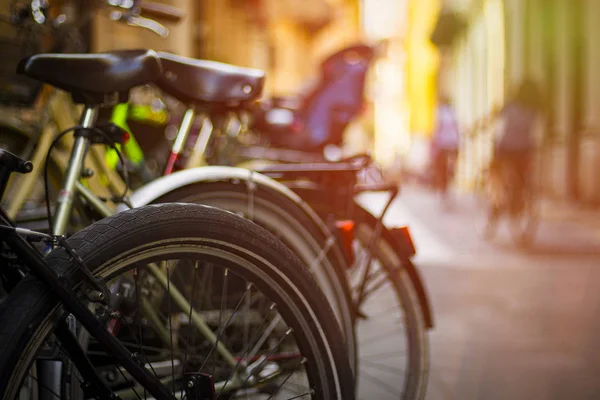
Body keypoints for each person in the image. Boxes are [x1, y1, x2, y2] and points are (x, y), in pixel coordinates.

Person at [484, 78, 544, 232]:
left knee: (495, 178)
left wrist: (480, 127)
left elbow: (491, 118)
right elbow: (539, 131)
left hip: (505, 149)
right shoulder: (534, 109)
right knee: (522, 180)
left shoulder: (510, 106)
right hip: (525, 151)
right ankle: (518, 204)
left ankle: (494, 210)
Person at [431, 95, 460, 208]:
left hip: (443, 145)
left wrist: (435, 143)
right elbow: (457, 128)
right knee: (450, 169)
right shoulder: (454, 112)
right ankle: (448, 190)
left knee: (442, 169)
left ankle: (444, 192)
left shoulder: (439, 112)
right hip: (453, 144)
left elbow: (437, 128)